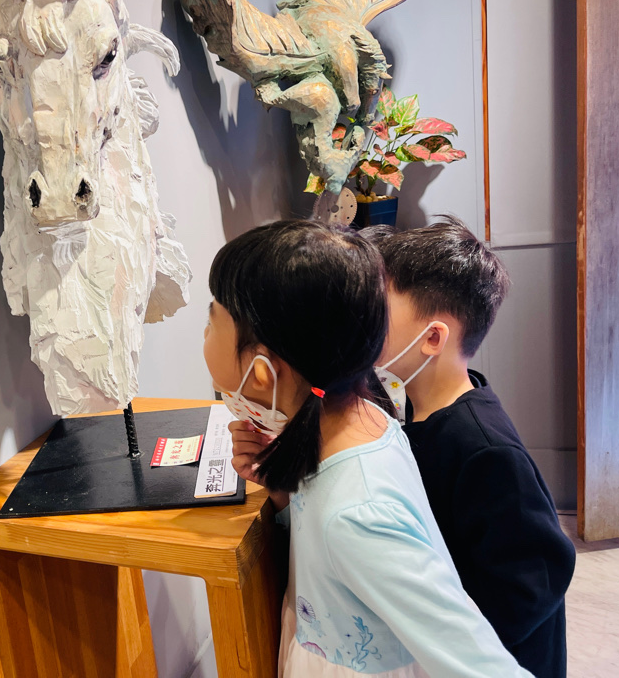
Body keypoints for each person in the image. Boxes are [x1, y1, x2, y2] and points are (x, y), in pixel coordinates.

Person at [206, 219, 530, 677]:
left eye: (211, 320)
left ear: (262, 371)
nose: (205, 332)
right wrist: (281, 491)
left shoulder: (359, 514)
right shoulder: (363, 417)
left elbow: (481, 665)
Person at [359, 217, 576, 677]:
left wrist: (450, 638)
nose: (366, 320)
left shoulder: (485, 449)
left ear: (433, 338)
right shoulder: (415, 404)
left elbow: (535, 579)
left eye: (380, 310)